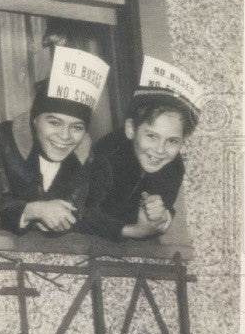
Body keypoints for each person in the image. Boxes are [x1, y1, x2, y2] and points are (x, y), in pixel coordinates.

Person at [81, 87, 198, 241]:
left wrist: (163, 214)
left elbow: (164, 202)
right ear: (131, 129)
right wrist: (133, 231)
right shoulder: (107, 156)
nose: (160, 150)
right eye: (151, 136)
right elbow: (81, 213)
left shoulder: (174, 166)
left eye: (172, 141)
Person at [0, 79, 96, 235]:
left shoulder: (87, 159)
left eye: (77, 127)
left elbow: (87, 212)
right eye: (54, 123)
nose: (65, 136)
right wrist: (31, 211)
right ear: (34, 119)